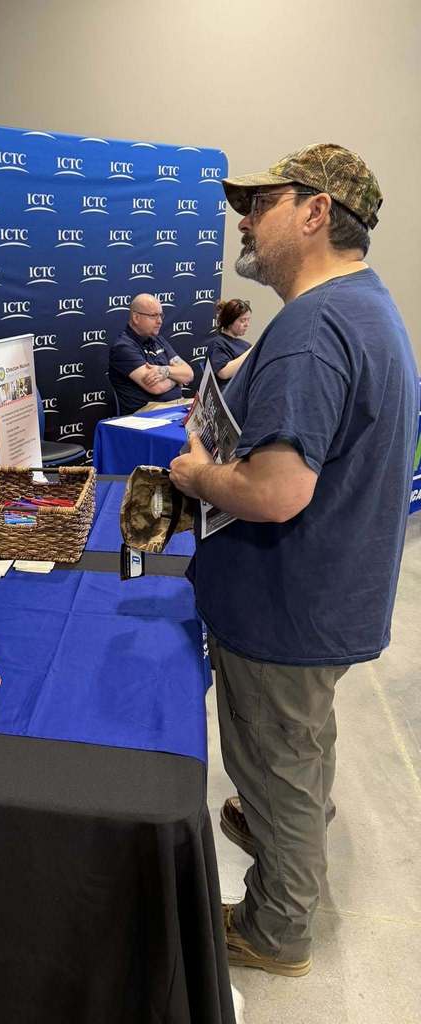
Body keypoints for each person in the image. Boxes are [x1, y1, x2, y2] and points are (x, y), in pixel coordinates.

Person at [169, 143, 417, 977]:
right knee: (295, 745)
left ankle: (278, 929)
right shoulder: (360, 308)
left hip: (287, 606)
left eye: (261, 203)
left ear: (315, 212)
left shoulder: (315, 330)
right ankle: (285, 824)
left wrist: (198, 473)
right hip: (324, 597)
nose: (244, 218)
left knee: (276, 755)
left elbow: (276, 493)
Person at [108, 294, 194, 414]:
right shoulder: (123, 347)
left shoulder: (158, 339)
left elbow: (189, 373)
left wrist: (165, 371)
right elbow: (156, 387)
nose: (160, 321)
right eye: (153, 316)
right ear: (136, 317)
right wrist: (178, 380)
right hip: (147, 412)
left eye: (161, 315)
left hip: (176, 405)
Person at [208, 298, 253, 389]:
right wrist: (252, 352)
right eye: (242, 320)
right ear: (230, 321)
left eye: (248, 320)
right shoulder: (218, 343)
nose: (247, 324)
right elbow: (223, 373)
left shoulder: (246, 345)